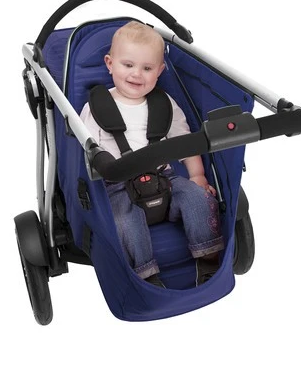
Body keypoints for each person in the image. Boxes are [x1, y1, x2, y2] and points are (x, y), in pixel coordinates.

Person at [80, 21, 223, 287]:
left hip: (164, 179)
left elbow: (185, 143)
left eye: (147, 68)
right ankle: (146, 276)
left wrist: (197, 176)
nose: (137, 74)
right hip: (118, 186)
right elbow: (88, 152)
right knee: (123, 223)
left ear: (160, 70)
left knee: (198, 199)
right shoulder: (96, 107)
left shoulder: (164, 103)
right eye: (128, 65)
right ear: (110, 64)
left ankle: (209, 258)